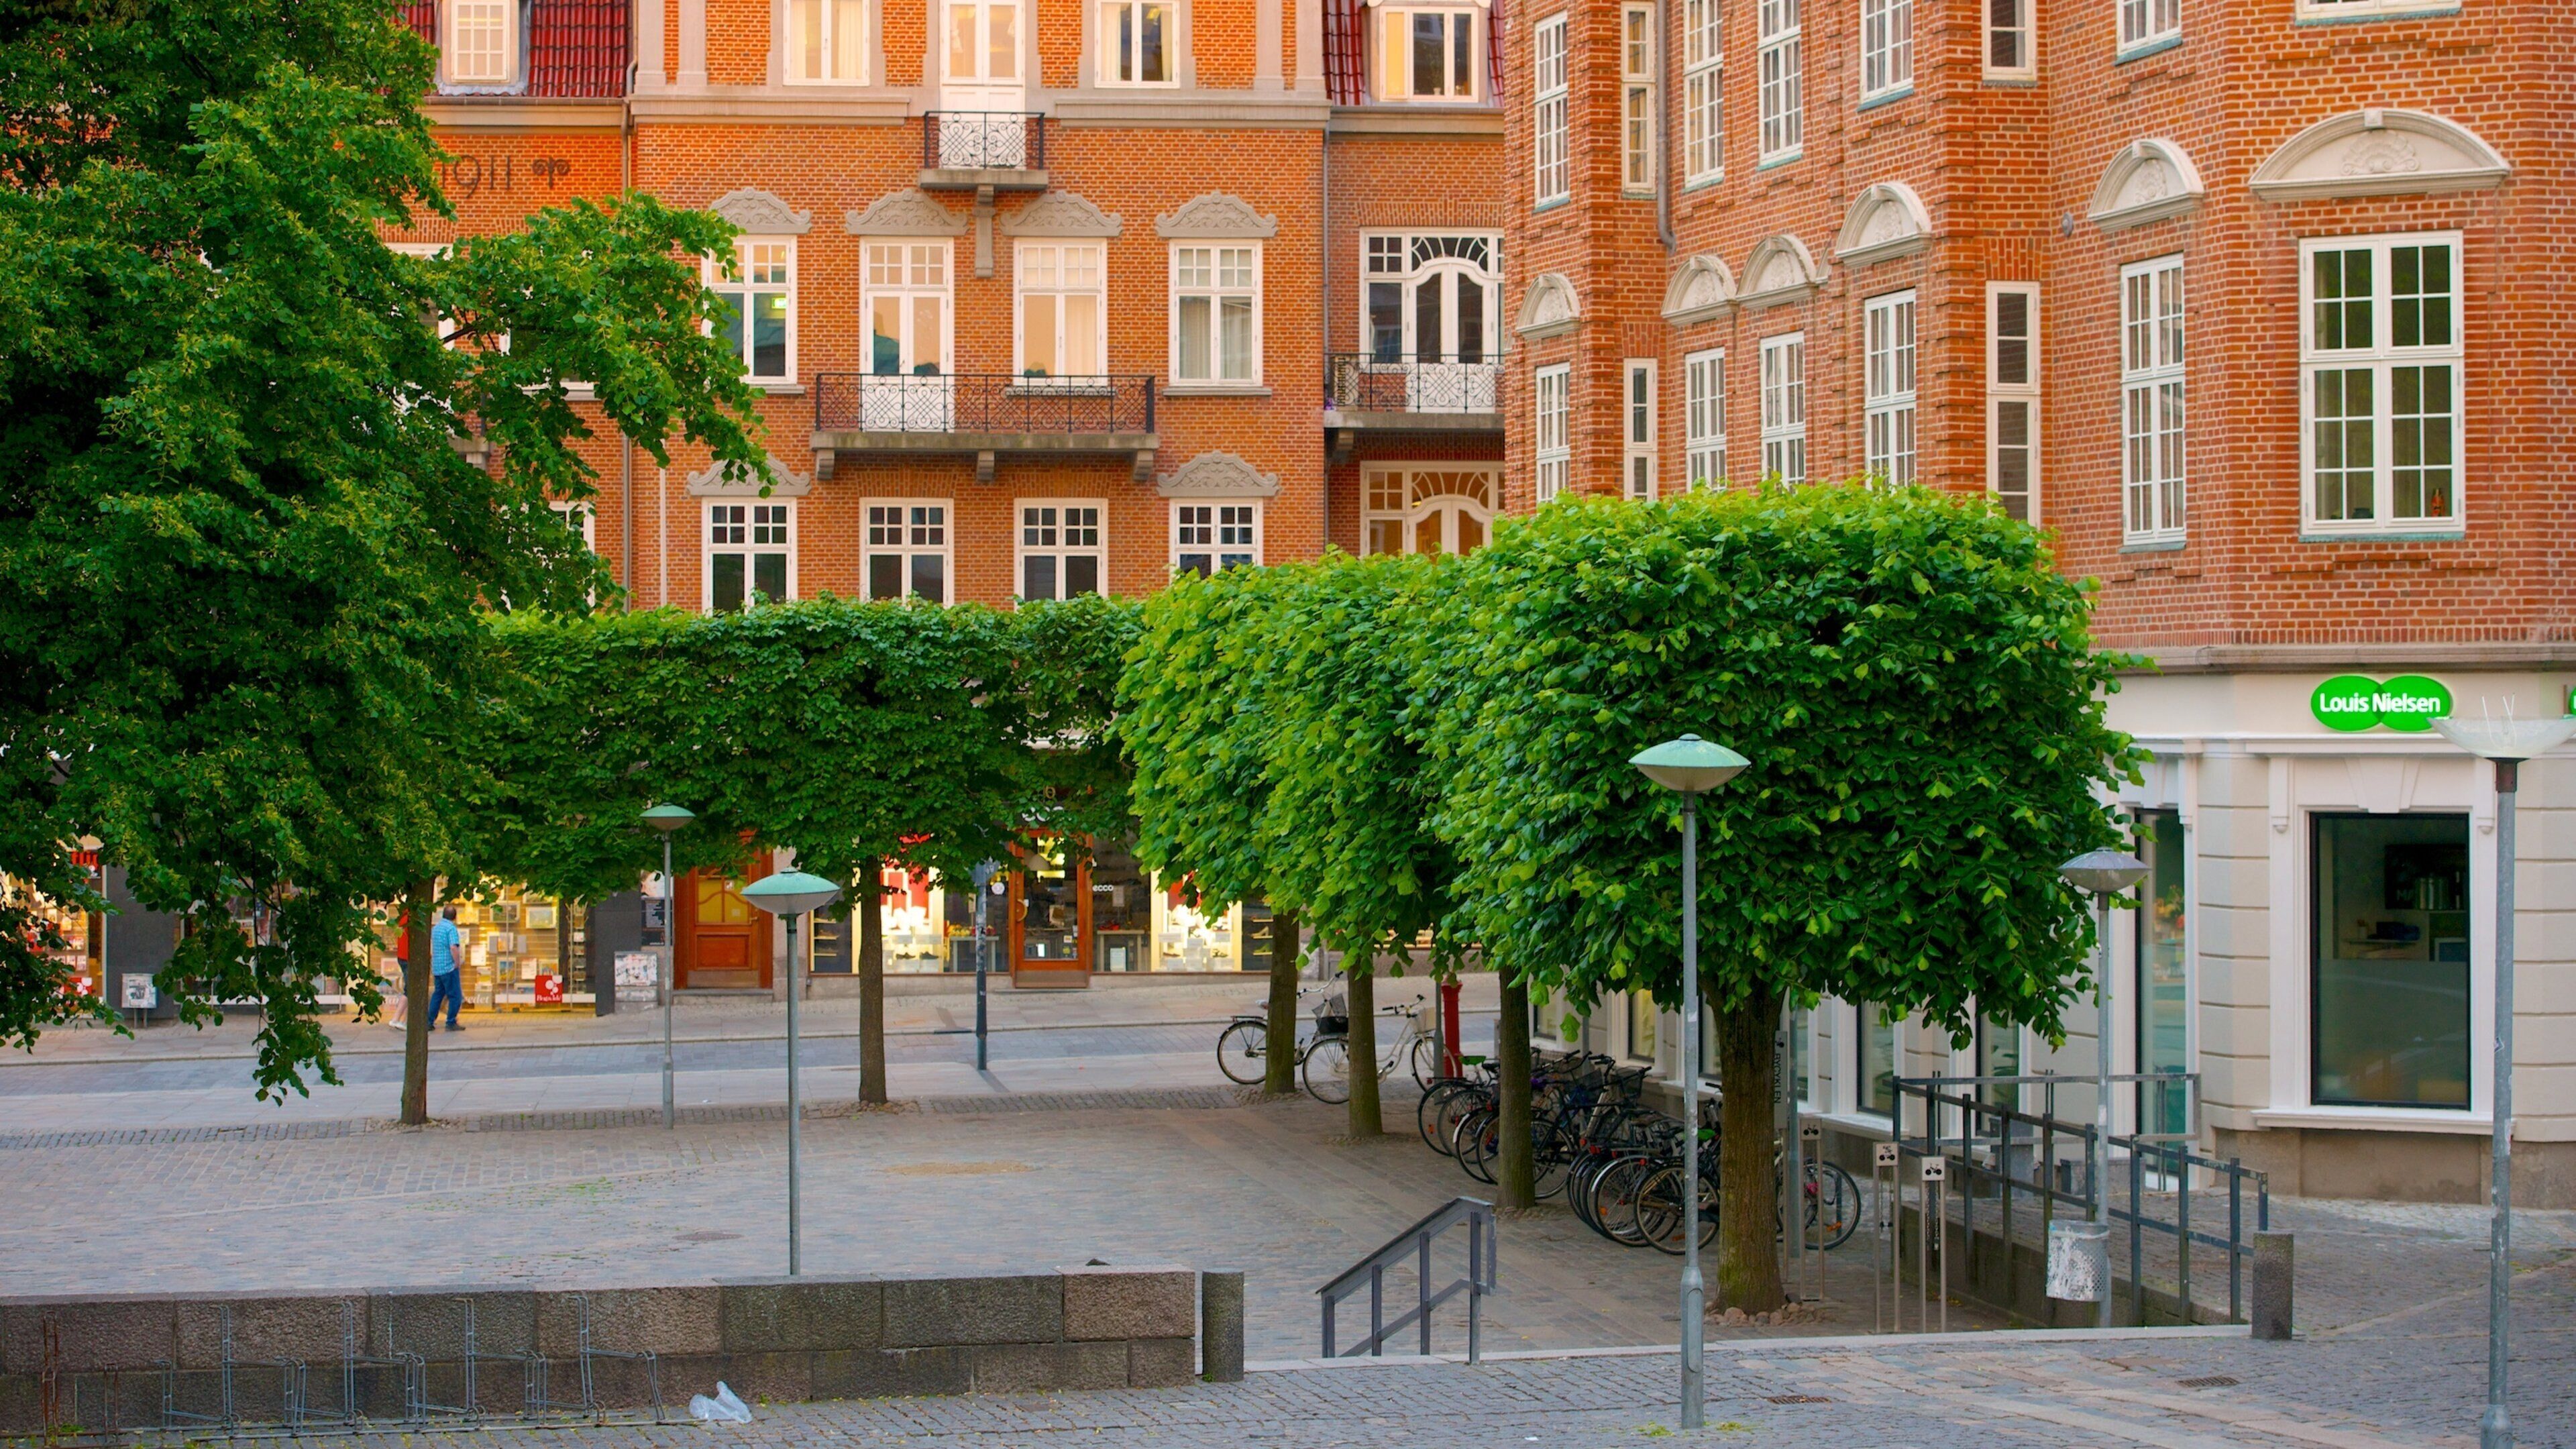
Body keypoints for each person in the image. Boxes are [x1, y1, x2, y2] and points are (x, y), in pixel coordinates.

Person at [427, 905, 466, 1031]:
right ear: (455, 916)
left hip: (437, 967)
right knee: (455, 996)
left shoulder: (436, 928)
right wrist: (457, 962)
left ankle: (429, 1021)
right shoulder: (451, 928)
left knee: (438, 994)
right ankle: (451, 1022)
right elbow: (453, 947)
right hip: (449, 968)